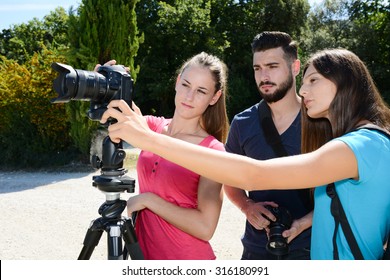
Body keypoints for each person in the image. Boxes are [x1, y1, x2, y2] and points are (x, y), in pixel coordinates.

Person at [100, 48, 390, 260]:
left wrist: (150, 142)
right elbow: (343, 207)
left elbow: (256, 173)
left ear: (345, 83)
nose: (303, 88)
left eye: (313, 80)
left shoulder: (359, 147)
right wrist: (110, 86)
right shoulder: (365, 144)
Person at [104, 52, 229, 259]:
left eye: (201, 91)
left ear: (214, 97)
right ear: (178, 81)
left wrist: (149, 200)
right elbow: (117, 114)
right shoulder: (152, 127)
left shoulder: (212, 150)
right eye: (186, 85)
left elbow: (205, 227)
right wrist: (104, 86)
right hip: (143, 257)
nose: (189, 97)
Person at [223, 31, 312, 260]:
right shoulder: (242, 123)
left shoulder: (321, 121)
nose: (263, 76)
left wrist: (303, 223)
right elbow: (229, 180)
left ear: (295, 67)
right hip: (256, 249)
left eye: (272, 66)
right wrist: (247, 206)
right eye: (257, 68)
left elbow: (340, 192)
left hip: (312, 247)